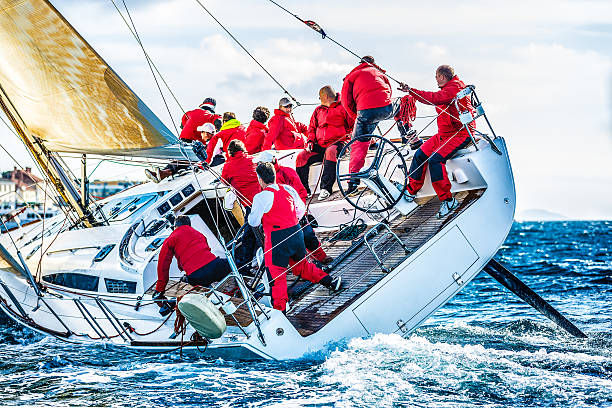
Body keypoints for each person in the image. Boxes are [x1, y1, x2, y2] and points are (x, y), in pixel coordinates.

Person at [248, 162, 342, 312]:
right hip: (296, 233)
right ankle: (331, 281)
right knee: (302, 267)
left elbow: (253, 221)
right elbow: (300, 211)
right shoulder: (288, 189)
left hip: (276, 240)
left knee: (276, 276)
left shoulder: (261, 197)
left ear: (260, 179)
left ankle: (280, 311)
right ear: (273, 174)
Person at [398, 65, 475, 218]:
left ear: (441, 77)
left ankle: (448, 200)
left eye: (436, 76)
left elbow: (433, 98)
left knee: (435, 161)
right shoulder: (450, 87)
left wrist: (411, 91)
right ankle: (411, 190)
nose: (435, 79)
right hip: (444, 135)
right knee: (420, 154)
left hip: (459, 134)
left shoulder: (453, 89)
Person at [255, 151, 332, 265]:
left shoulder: (287, 172)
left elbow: (300, 191)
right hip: (281, 219)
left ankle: (321, 256)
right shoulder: (262, 182)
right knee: (291, 243)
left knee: (308, 235)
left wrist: (298, 210)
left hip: (295, 212)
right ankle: (301, 266)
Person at [295, 86, 354, 200]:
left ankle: (326, 189)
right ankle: (303, 191)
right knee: (301, 157)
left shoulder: (343, 108)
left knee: (330, 151)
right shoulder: (318, 110)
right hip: (321, 146)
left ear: (325, 97)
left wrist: (350, 137)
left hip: (338, 144)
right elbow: (311, 128)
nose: (319, 99)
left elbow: (353, 126)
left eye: (320, 97)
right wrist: (310, 141)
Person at [154, 215, 231, 296]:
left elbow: (163, 265)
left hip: (196, 276)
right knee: (232, 265)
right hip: (216, 266)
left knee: (187, 286)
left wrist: (160, 288)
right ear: (189, 225)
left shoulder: (170, 239)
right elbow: (206, 249)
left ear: (175, 226)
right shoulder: (199, 234)